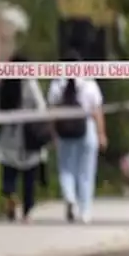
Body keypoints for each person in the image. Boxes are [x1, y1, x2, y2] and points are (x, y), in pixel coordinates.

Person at [47, 52, 108, 223]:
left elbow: (52, 112)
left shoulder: (57, 83)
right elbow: (97, 111)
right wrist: (101, 133)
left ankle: (70, 198)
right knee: (86, 172)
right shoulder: (89, 83)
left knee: (66, 168)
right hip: (86, 128)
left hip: (64, 129)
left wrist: (53, 134)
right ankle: (85, 211)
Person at [0, 52, 51, 222]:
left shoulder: (2, 84)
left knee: (8, 172)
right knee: (29, 176)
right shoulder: (29, 84)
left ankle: (10, 195)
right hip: (28, 136)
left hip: (7, 135)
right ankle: (26, 212)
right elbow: (41, 108)